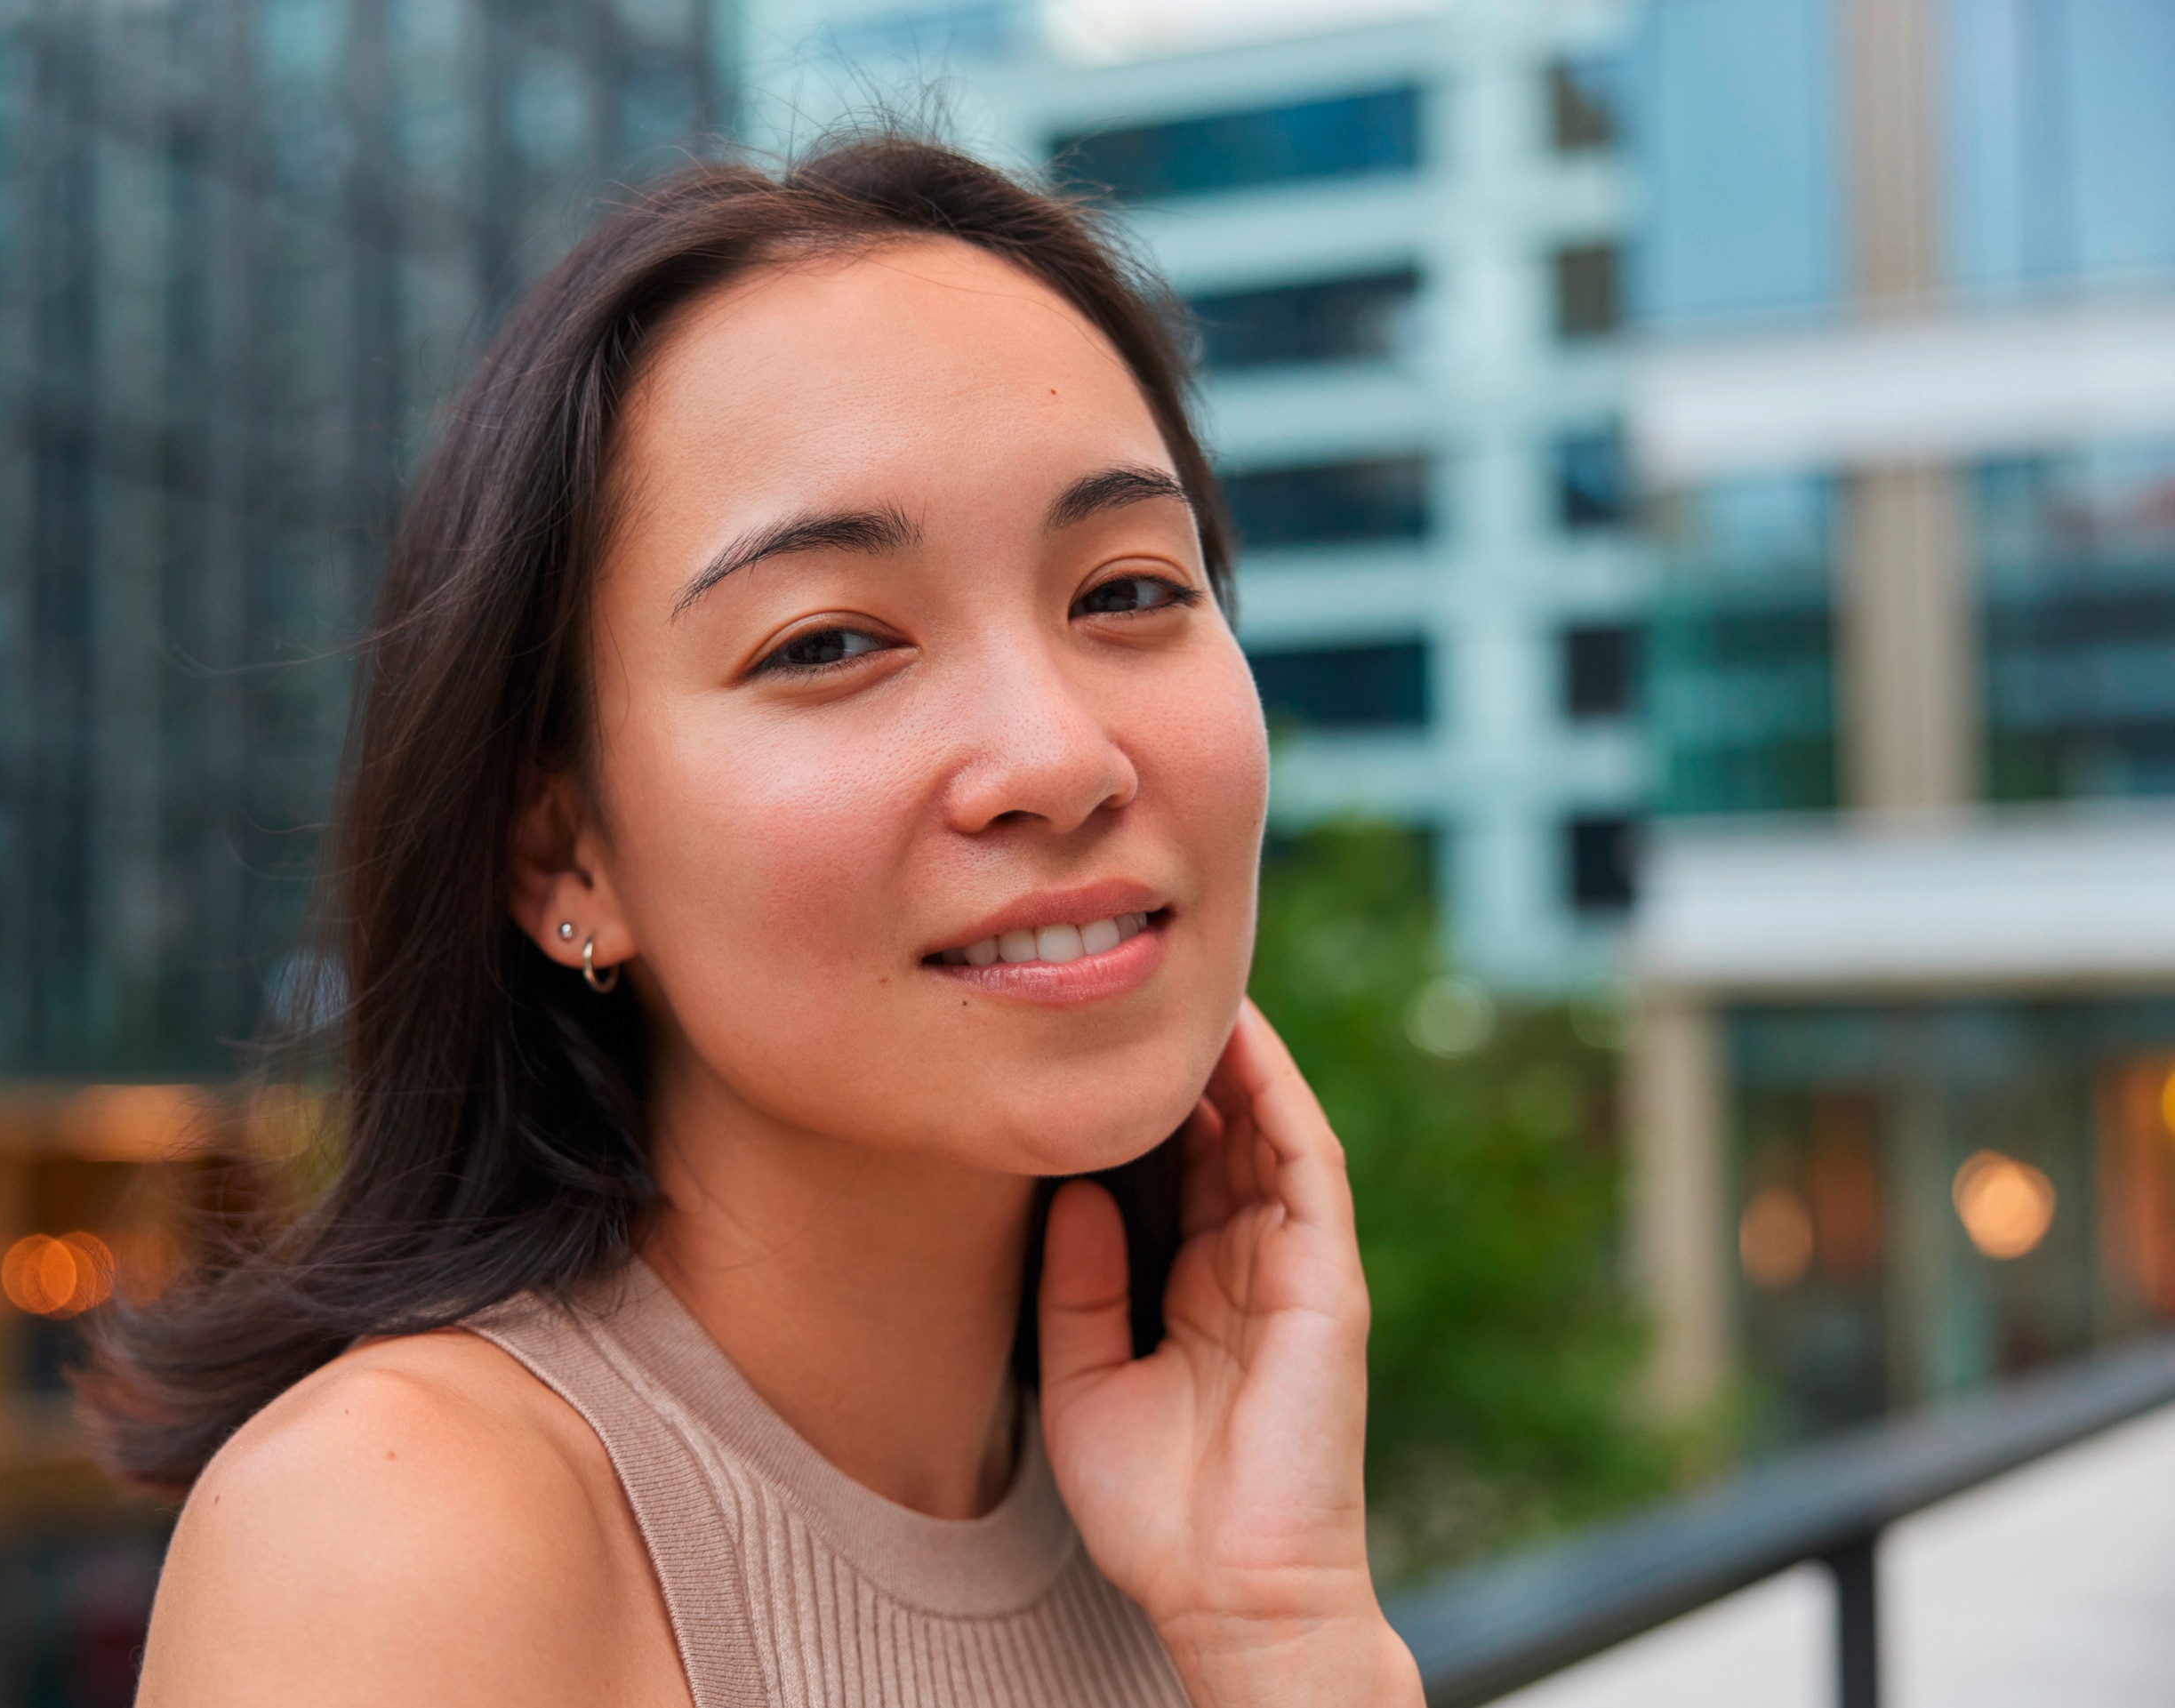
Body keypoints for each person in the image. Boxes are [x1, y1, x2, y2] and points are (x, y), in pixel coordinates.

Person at [92, 134, 1423, 1707]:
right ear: (564, 856)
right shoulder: (406, 1536)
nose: (1060, 758)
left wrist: (1285, 1634)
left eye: (1127, 591)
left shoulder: (1180, 1498)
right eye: (834, 640)